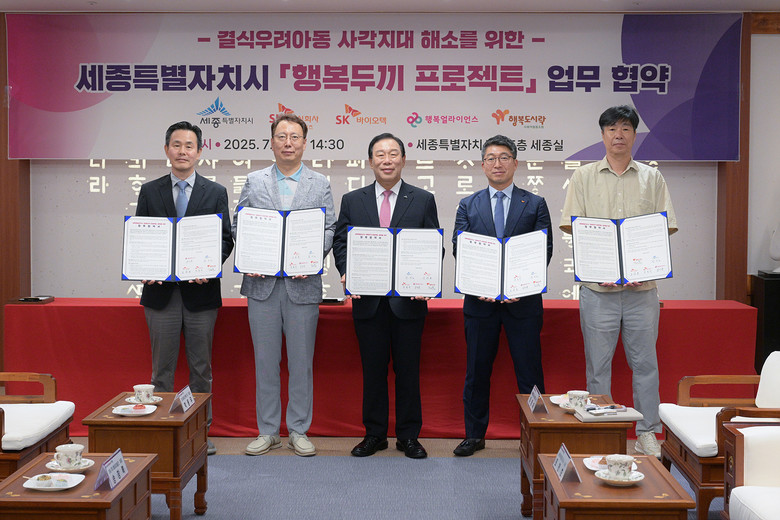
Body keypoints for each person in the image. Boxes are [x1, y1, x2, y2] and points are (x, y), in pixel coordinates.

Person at [559, 105, 678, 458]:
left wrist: (641, 266)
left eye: (625, 128)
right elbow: (575, 227)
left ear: (635, 135)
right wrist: (600, 268)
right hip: (598, 290)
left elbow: (663, 227)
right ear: (602, 135)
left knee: (646, 365)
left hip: (642, 290)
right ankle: (604, 432)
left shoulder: (652, 177)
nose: (618, 135)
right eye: (611, 128)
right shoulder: (583, 176)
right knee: (598, 366)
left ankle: (647, 433)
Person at [234, 113, 336, 457]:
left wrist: (310, 258)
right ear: (272, 142)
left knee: (301, 362)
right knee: (265, 361)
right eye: (281, 136)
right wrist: (251, 256)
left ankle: (298, 430)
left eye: (294, 137)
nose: (288, 143)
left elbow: (329, 228)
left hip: (302, 285)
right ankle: (267, 430)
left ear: (304, 143)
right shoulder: (254, 180)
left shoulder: (319, 183)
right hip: (262, 285)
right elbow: (239, 224)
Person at [333, 133, 440, 459]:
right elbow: (341, 242)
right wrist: (347, 270)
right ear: (370, 162)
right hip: (368, 302)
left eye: (393, 154)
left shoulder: (422, 199)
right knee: (373, 371)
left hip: (408, 303)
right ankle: (375, 434)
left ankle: (409, 436)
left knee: (408, 372)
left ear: (403, 160)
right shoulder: (353, 200)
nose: (387, 160)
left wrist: (427, 280)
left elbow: (433, 244)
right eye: (380, 154)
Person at [451, 134, 553, 457]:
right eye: (491, 158)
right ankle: (474, 435)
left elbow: (543, 250)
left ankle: (536, 436)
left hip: (523, 304)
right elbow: (460, 249)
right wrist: (481, 286)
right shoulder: (468, 205)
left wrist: (518, 287)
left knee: (530, 374)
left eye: (504, 157)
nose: (498, 164)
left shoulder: (534, 203)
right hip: (480, 305)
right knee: (477, 372)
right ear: (482, 165)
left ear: (515, 163)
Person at [136, 121, 234, 456]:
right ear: (167, 150)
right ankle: (163, 432)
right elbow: (142, 236)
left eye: (189, 146)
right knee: (161, 371)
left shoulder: (215, 192)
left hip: (200, 295)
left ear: (199, 152)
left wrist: (209, 266)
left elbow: (225, 240)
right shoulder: (150, 191)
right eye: (176, 145)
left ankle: (200, 432)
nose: (182, 151)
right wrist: (145, 266)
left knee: (201, 369)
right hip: (160, 295)